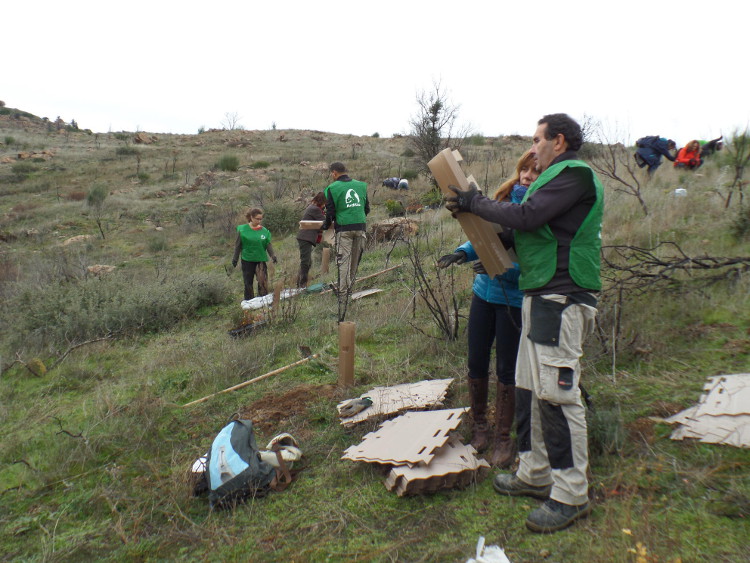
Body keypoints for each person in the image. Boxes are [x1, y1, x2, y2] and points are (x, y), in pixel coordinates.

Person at [446, 113, 604, 534]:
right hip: (540, 295)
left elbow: (528, 216)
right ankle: (534, 474)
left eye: (538, 139)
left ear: (560, 140)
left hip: (562, 297)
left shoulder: (573, 175)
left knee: (557, 396)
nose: (532, 148)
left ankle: (571, 494)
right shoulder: (553, 179)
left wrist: (473, 201)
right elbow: (522, 232)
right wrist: (474, 230)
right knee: (530, 388)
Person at [438, 150, 538, 468]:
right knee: (476, 360)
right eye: (525, 168)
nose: (527, 175)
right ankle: (480, 426)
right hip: (484, 294)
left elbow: (533, 257)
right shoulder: (502, 199)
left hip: (515, 299)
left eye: (536, 172)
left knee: (508, 370)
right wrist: (463, 253)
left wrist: (498, 263)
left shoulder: (541, 211)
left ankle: (502, 438)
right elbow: (485, 235)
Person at [321, 162, 369, 297]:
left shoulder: (332, 188)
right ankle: (351, 290)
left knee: (343, 262)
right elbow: (367, 209)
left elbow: (330, 212)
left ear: (334, 173)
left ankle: (343, 294)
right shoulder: (361, 185)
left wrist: (325, 225)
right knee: (355, 261)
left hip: (344, 229)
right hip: (360, 227)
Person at [232, 208, 277, 300]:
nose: (259, 221)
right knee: (248, 282)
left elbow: (268, 244)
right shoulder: (243, 230)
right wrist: (235, 258)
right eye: (257, 219)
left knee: (263, 282)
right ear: (251, 218)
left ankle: (263, 301)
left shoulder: (264, 230)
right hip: (247, 260)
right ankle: (249, 301)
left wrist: (273, 255)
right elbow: (238, 245)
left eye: (261, 219)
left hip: (260, 259)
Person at [296, 192, 326, 288]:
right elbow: (325, 222)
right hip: (306, 237)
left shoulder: (313, 207)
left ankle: (300, 282)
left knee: (308, 262)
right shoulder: (315, 209)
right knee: (305, 262)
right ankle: (302, 284)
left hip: (306, 237)